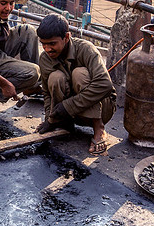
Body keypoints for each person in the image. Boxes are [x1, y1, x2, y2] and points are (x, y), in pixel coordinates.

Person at [36, 14, 117, 155]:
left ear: (66, 37)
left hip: (103, 109)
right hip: (71, 113)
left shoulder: (86, 49)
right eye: (44, 44)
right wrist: (50, 118)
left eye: (52, 44)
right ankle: (64, 123)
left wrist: (68, 106)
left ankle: (99, 130)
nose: (47, 49)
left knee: (79, 74)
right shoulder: (45, 58)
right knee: (55, 77)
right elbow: (47, 92)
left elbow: (104, 84)